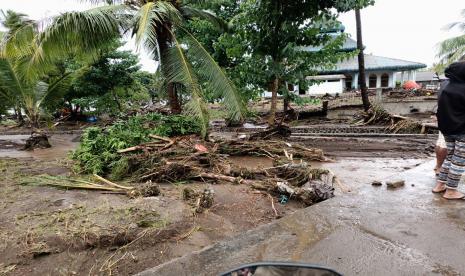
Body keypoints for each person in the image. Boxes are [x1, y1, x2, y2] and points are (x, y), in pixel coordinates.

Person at [433, 62, 465, 199]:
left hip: (447, 129)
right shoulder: (463, 88)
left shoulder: (445, 86)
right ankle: (451, 191)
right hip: (462, 130)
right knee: (459, 160)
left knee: (450, 157)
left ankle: (440, 185)